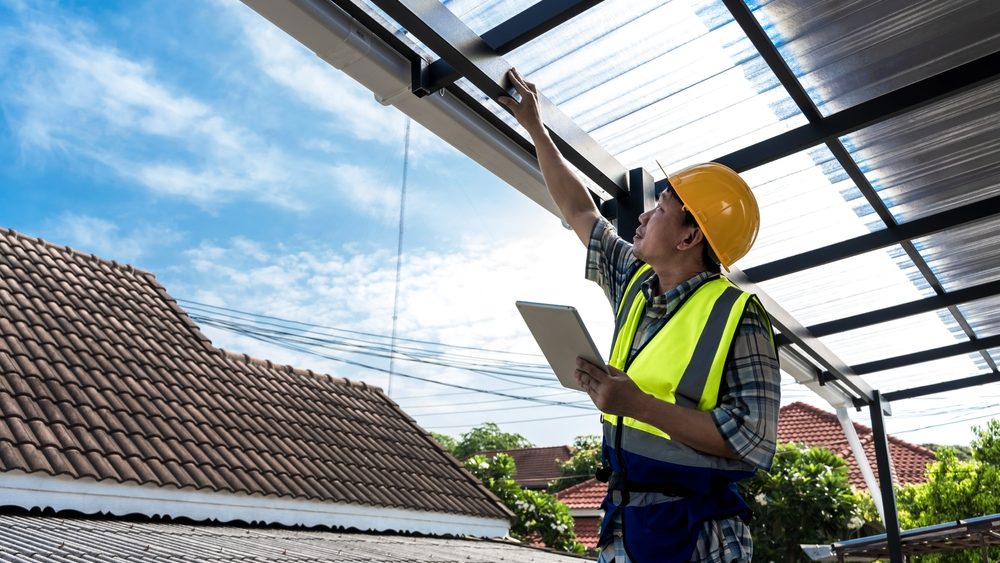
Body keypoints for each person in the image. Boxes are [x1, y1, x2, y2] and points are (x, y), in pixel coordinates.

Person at [498, 68, 780, 563]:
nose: (643, 216)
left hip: (700, 535)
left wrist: (639, 405)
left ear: (690, 238)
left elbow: (753, 440)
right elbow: (580, 213)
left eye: (661, 209)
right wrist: (535, 129)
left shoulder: (739, 314)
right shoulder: (634, 280)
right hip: (627, 524)